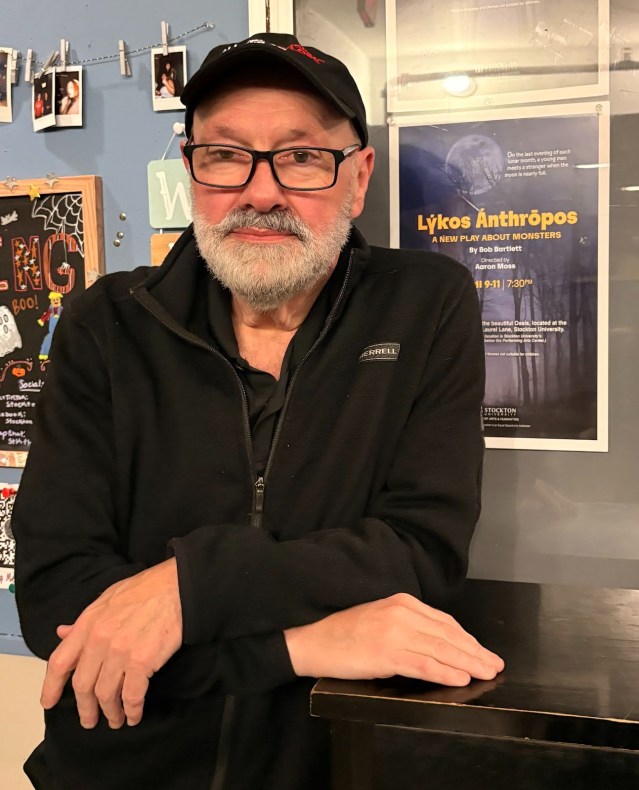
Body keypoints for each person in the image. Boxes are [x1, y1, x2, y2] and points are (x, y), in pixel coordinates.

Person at [14, 32, 503, 790]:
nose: (261, 192)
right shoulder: (104, 324)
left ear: (358, 176)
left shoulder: (425, 306)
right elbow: (58, 602)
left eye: (302, 156)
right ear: (191, 169)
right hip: (116, 766)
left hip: (322, 767)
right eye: (225, 155)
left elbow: (419, 553)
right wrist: (299, 649)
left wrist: (187, 588)